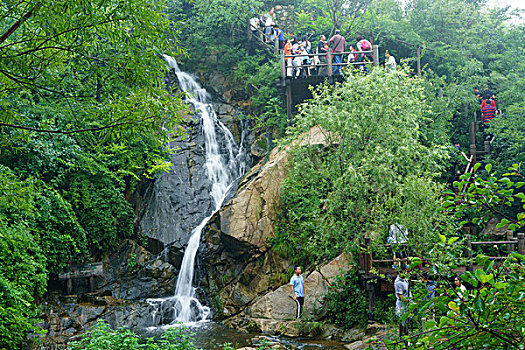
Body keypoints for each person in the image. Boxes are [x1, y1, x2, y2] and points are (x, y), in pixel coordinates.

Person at [394, 267, 411, 337]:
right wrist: (408, 302)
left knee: (408, 321)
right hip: (402, 305)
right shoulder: (398, 283)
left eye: (406, 272)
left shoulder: (406, 280)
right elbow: (400, 296)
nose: (405, 273)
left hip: (408, 304)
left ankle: (407, 338)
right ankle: (402, 338)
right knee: (403, 322)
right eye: (403, 272)